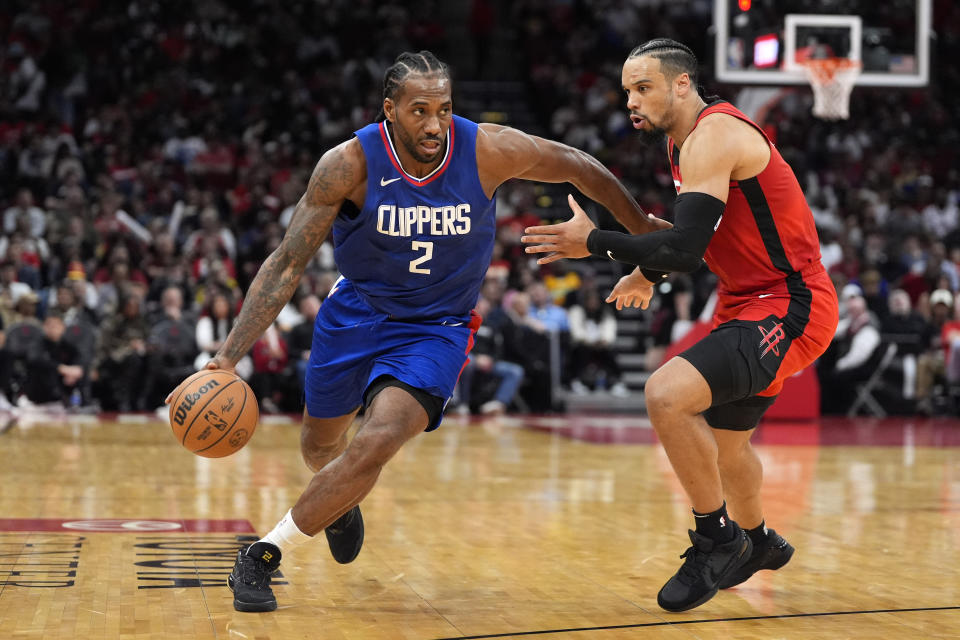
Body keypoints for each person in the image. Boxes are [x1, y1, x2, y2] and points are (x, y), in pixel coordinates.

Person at [165, 50, 661, 613]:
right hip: (356, 313)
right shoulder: (347, 164)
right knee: (319, 448)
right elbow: (286, 263)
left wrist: (640, 226)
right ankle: (338, 501)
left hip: (436, 329)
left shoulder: (487, 150)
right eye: (419, 110)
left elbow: (575, 162)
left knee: (377, 439)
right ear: (390, 111)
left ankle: (262, 555)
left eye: (444, 109)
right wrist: (228, 357)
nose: (434, 124)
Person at [522, 39, 839, 612]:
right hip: (746, 301)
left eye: (643, 87)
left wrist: (592, 242)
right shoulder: (683, 145)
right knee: (725, 446)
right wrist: (647, 270)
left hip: (790, 303)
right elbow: (698, 236)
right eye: (626, 91)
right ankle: (758, 540)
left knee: (667, 395)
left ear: (682, 85)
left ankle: (717, 539)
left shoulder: (714, 136)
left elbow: (688, 249)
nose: (631, 101)